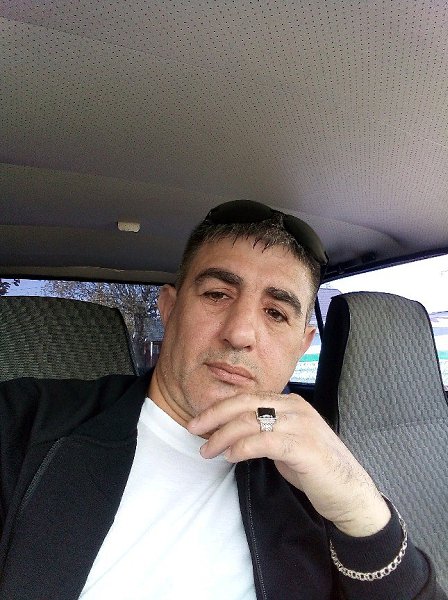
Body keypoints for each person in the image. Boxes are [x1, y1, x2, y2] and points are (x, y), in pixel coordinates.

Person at [0, 200, 445, 600]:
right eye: (217, 294)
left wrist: (359, 506)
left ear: (302, 346)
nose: (240, 333)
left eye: (276, 313)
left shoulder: (313, 480)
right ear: (169, 309)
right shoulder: (25, 420)